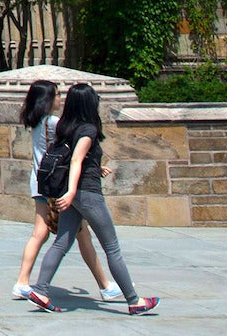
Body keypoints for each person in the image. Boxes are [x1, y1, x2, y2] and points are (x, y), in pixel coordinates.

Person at [27, 83, 158, 315]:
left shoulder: (66, 127)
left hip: (75, 193)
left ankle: (40, 289)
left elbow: (74, 160)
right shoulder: (87, 130)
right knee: (112, 247)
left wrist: (93, 171)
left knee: (62, 243)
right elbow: (76, 161)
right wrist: (71, 192)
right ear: (89, 104)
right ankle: (134, 301)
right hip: (86, 194)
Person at [11, 79, 119, 303]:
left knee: (45, 232)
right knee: (78, 234)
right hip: (58, 184)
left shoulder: (37, 121)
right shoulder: (54, 123)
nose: (61, 100)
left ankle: (23, 281)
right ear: (48, 99)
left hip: (41, 180)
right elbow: (71, 154)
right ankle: (106, 286)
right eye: (58, 95)